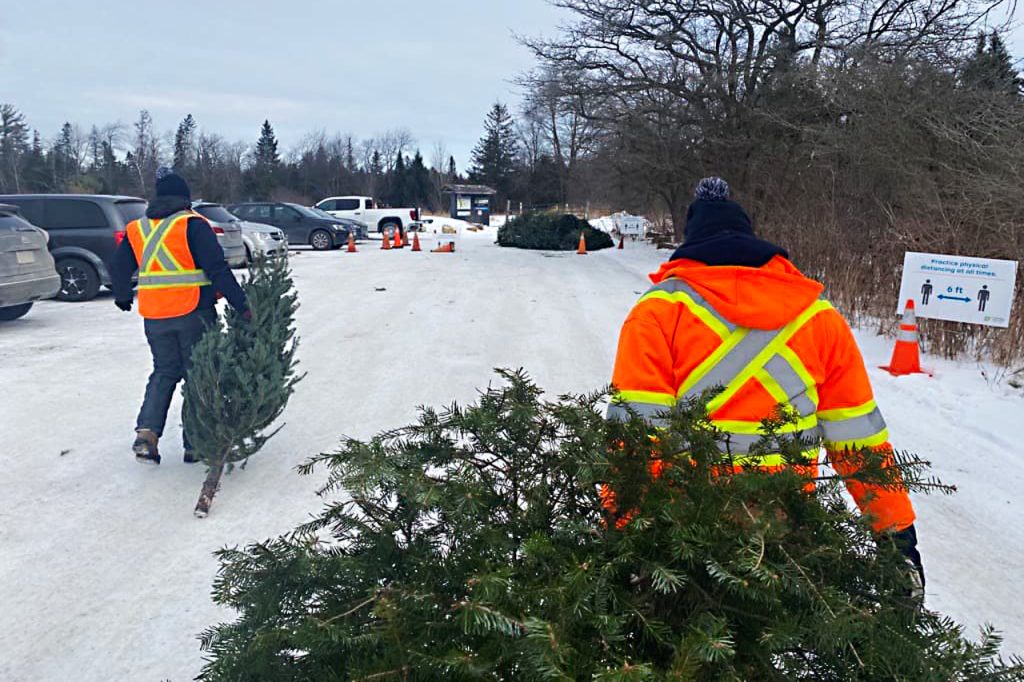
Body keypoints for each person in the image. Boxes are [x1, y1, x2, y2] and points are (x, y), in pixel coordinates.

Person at [607, 177, 924, 597]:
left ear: (689, 245)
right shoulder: (818, 318)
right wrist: (898, 538)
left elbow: (636, 440)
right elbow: (859, 441)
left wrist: (621, 534)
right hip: (785, 542)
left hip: (682, 539)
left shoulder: (658, 314)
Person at [111, 167, 251, 465]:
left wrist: (123, 295)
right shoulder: (193, 224)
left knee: (164, 371)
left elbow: (120, 267)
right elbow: (217, 270)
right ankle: (195, 445)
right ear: (185, 199)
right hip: (193, 313)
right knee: (197, 375)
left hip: (155, 316)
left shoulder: (137, 228)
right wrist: (243, 305)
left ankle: (146, 436)